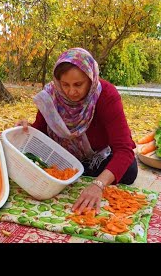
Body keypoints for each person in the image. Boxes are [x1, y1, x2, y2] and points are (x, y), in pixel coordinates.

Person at [17, 48, 137, 214]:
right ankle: (73, 172)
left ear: (91, 78)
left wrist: (98, 185)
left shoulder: (106, 95)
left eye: (78, 84)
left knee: (129, 169)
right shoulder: (51, 95)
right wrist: (26, 129)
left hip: (95, 159)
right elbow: (40, 131)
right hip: (61, 158)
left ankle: (85, 174)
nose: (71, 92)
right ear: (58, 81)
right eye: (65, 84)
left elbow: (124, 148)